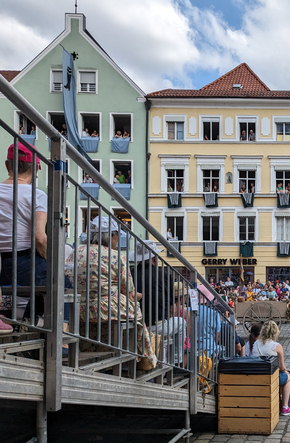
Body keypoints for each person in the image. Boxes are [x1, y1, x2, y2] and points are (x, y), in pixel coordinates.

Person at [65, 216, 158, 369]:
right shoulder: (117, 256)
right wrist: (137, 296)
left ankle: (92, 350)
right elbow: (129, 292)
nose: (117, 242)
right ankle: (145, 358)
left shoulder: (76, 252)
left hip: (77, 308)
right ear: (111, 236)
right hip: (105, 308)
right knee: (135, 310)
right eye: (117, 237)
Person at [0, 143, 47, 322]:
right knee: (60, 285)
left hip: (1, 264)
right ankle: (62, 341)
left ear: (7, 165)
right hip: (23, 261)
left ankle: (28, 324)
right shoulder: (36, 195)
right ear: (35, 169)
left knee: (42, 285)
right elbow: (40, 238)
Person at [130, 240, 187, 365]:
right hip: (156, 325)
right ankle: (178, 362)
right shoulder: (164, 276)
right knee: (181, 323)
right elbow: (173, 310)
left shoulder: (131, 273)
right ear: (154, 259)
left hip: (136, 324)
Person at [250, 320, 290, 415]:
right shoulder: (277, 346)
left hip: (257, 375)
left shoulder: (255, 344)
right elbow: (282, 367)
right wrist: (286, 371)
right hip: (270, 376)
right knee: (287, 377)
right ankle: (285, 407)